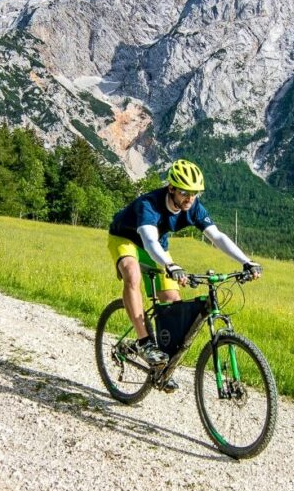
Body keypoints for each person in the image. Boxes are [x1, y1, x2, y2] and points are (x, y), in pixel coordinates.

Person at [107, 159, 261, 373]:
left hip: (157, 246)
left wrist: (246, 261)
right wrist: (170, 265)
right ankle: (144, 342)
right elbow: (149, 241)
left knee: (173, 303)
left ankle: (162, 365)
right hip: (126, 238)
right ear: (171, 188)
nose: (190, 198)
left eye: (195, 193)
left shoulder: (193, 207)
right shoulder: (149, 204)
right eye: (184, 193)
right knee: (132, 275)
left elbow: (216, 236)